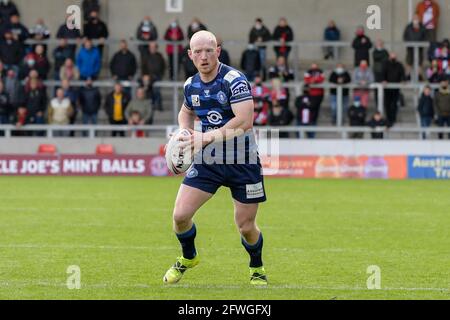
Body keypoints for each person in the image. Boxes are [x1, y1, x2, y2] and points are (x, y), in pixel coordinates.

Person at [163, 31, 267, 285]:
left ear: (218, 51)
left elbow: (244, 121)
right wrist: (186, 133)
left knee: (246, 226)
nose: (204, 56)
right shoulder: (191, 85)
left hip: (242, 161)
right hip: (209, 160)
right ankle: (189, 257)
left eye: (209, 50)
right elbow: (185, 112)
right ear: (190, 55)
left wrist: (204, 138)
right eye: (197, 51)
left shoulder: (233, 80)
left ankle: (257, 267)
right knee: (180, 216)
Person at [382, 52, 406, 126]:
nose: (393, 58)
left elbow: (402, 74)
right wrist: (383, 80)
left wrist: (403, 80)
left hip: (396, 88)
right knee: (387, 104)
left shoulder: (399, 65)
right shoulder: (385, 64)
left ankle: (393, 118)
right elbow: (382, 73)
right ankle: (388, 119)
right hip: (387, 88)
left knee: (394, 104)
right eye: (392, 57)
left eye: (394, 57)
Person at [403, 14, 427, 80]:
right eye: (414, 18)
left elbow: (425, 37)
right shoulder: (408, 27)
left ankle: (420, 76)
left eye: (417, 18)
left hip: (419, 48)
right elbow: (405, 36)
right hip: (410, 48)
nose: (415, 19)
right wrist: (408, 43)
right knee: (409, 62)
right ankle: (407, 76)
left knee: (420, 62)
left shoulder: (422, 27)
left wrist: (421, 43)